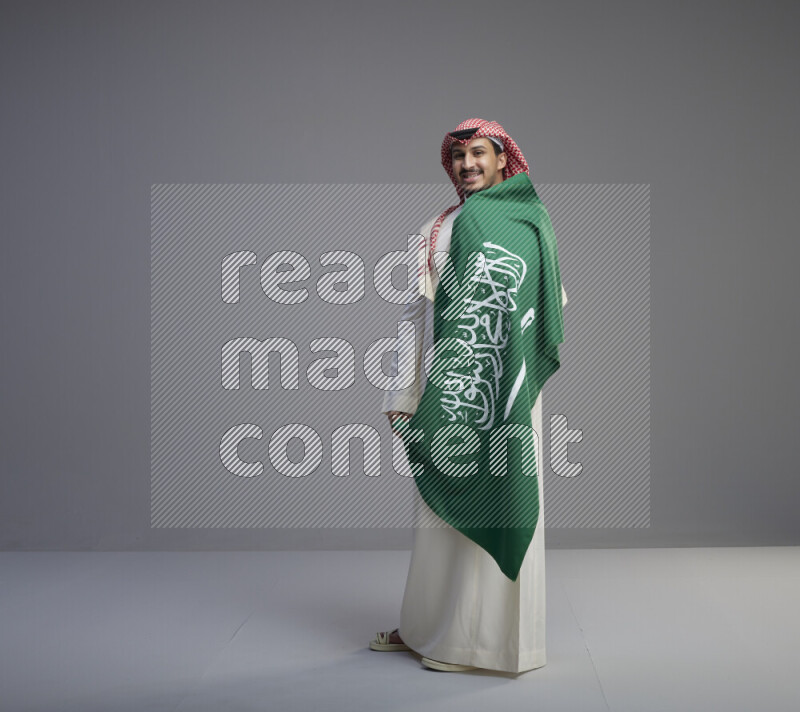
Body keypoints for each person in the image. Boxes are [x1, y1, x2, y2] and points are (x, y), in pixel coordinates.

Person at [370, 118, 568, 673]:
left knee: (502, 496)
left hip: (506, 383)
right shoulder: (436, 227)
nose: (467, 165)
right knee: (438, 516)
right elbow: (415, 313)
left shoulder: (530, 219)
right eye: (458, 157)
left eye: (478, 153)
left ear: (503, 159)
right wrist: (401, 387)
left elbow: (553, 298)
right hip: (452, 384)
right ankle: (429, 632)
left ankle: (490, 646)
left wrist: (501, 350)